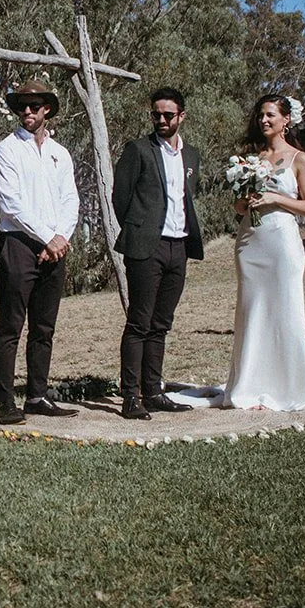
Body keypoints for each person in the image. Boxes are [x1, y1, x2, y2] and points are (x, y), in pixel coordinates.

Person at [0, 81, 80, 425]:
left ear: (47, 110)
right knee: (10, 325)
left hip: (55, 247)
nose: (27, 111)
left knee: (44, 326)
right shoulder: (8, 150)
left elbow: (70, 199)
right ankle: (5, 402)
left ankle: (37, 396)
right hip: (18, 244)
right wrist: (47, 238)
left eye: (34, 106)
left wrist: (61, 238)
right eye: (21, 106)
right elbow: (12, 204)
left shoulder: (60, 153)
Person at [111, 87, 204, 420]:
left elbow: (187, 197)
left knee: (161, 324)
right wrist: (140, 228)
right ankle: (130, 396)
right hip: (146, 246)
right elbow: (120, 197)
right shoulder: (138, 150)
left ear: (182, 116)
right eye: (156, 114)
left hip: (179, 246)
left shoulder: (191, 155)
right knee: (139, 322)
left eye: (168, 114)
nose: (161, 120)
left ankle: (153, 392)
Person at [225, 94, 305, 412]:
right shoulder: (250, 159)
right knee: (252, 311)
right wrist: (245, 200)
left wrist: (275, 199)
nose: (263, 120)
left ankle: (287, 389)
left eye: (270, 115)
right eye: (260, 115)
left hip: (282, 244)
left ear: (285, 120)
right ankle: (249, 386)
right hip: (251, 243)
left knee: (284, 310)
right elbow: (239, 208)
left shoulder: (300, 159)